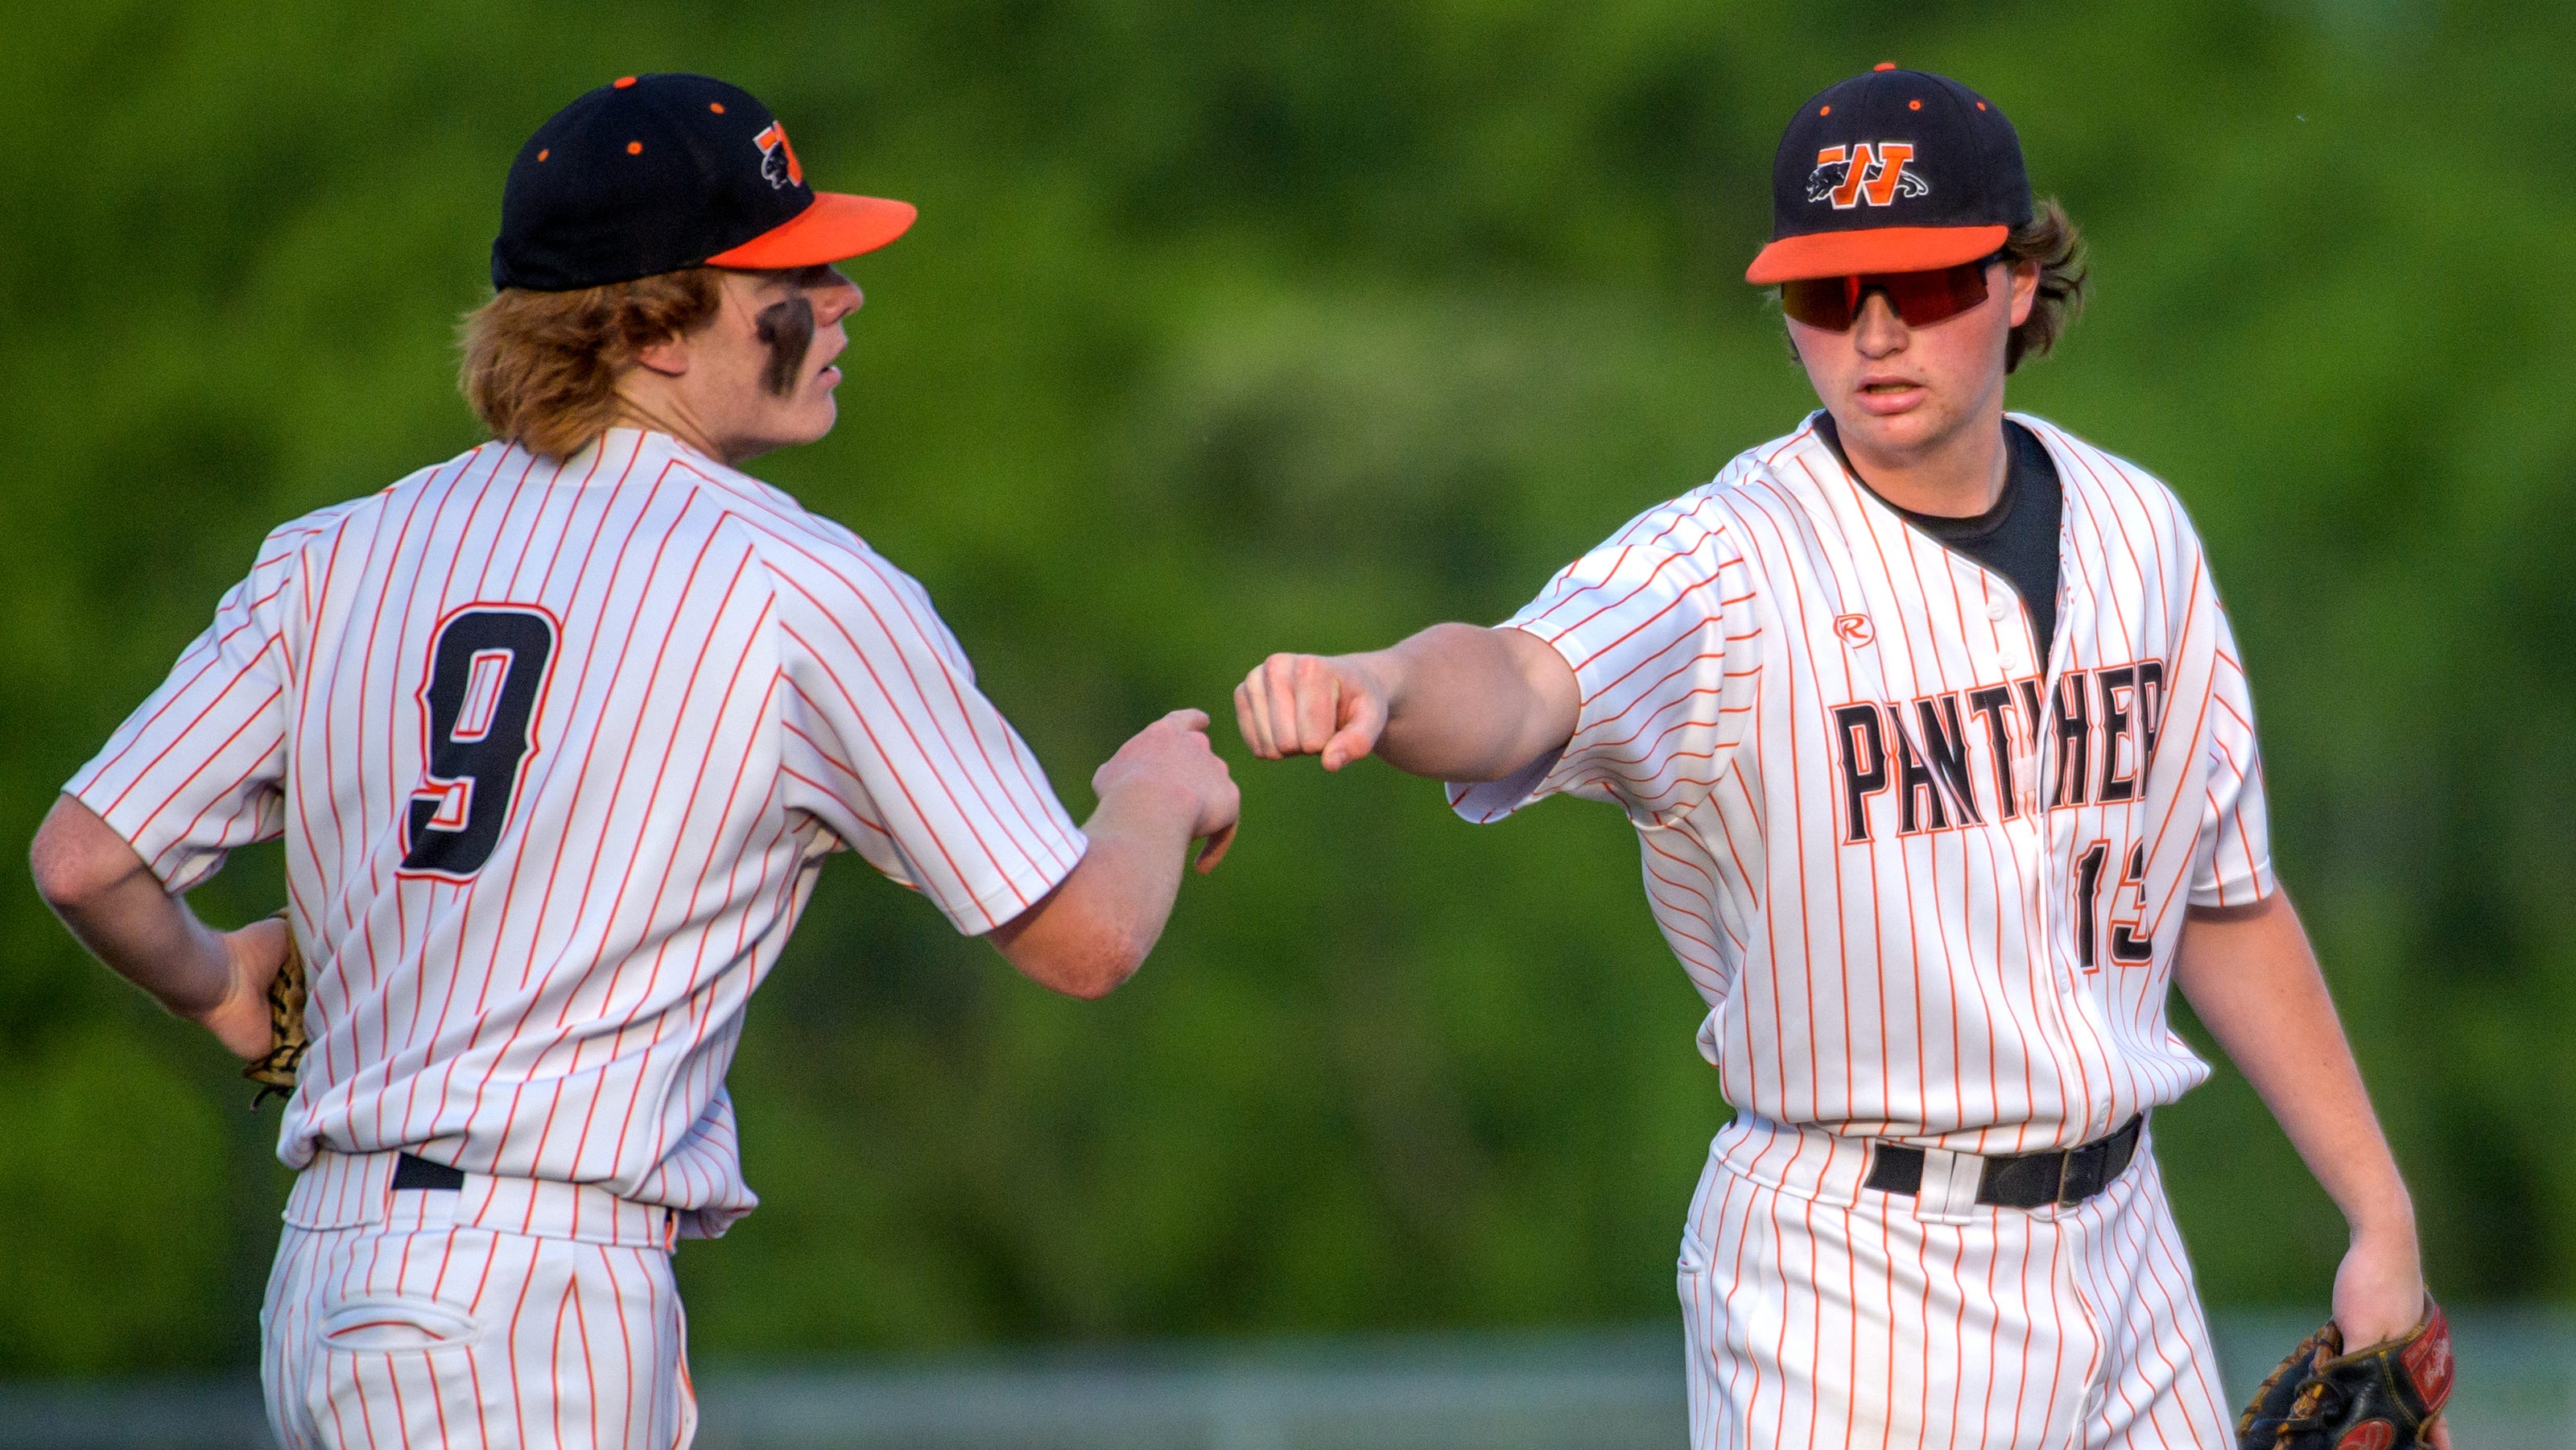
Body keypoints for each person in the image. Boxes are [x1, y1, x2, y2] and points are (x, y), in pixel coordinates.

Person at [1232, 64, 2440, 1448]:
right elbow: (1520, 677)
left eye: (1916, 282)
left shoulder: (2138, 531)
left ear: (2014, 280)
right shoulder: (1728, 564)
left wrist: (2378, 1213)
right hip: (1854, 1276)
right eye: (1825, 291)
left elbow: (2215, 898)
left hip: (2129, 1243)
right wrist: (1383, 681)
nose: (1871, 330)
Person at [29, 73, 1237, 1449]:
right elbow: (1084, 938)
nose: (840, 296)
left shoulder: (337, 552)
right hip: (530, 1287)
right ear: (654, 325)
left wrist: (220, 988)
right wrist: (1146, 792)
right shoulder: (796, 584)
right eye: (791, 269)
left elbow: (85, 858)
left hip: (331, 1280)